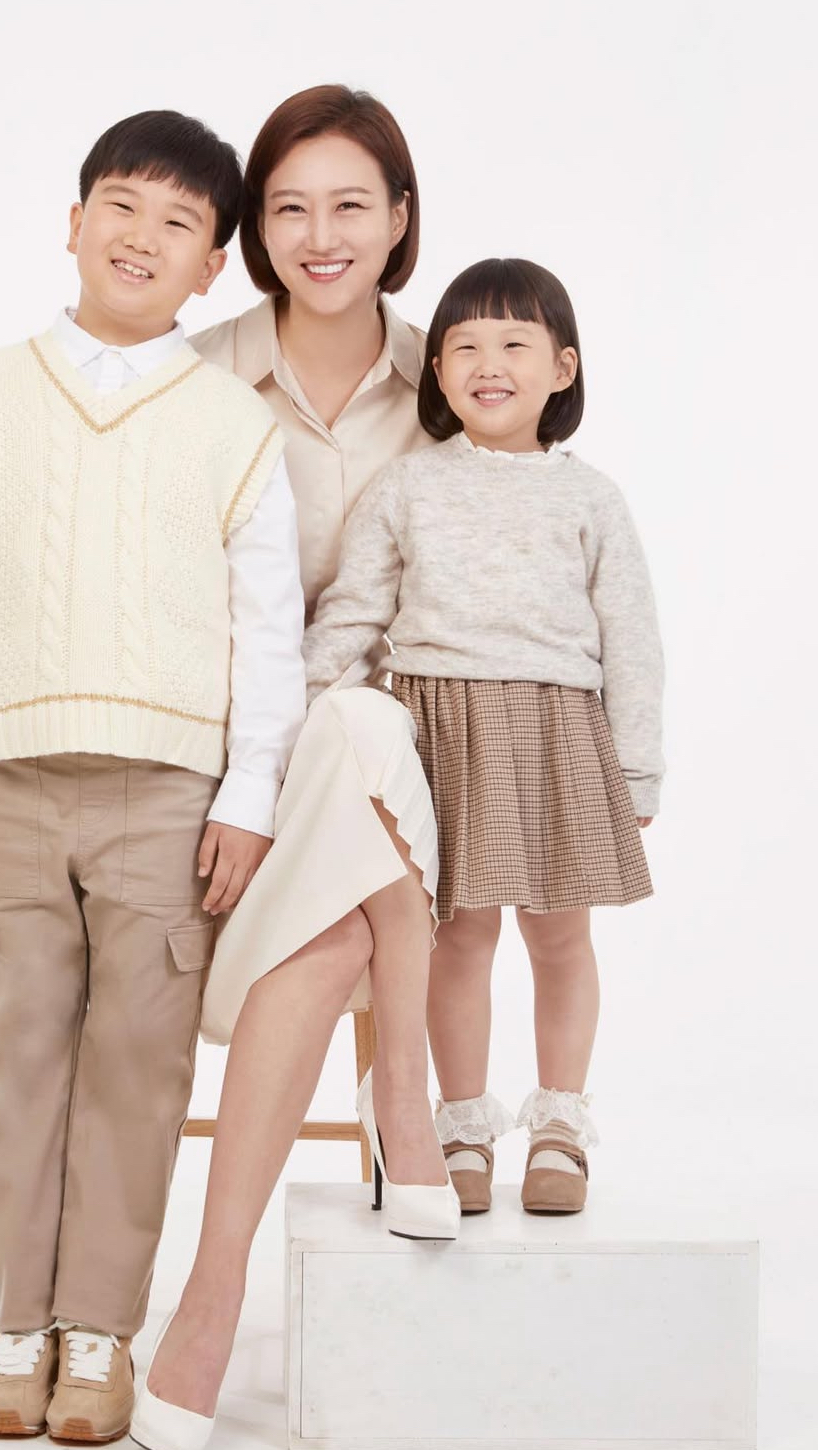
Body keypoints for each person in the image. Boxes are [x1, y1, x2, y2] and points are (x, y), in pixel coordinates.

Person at [0, 87, 458, 1450]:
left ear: (399, 220)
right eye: (288, 206)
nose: (319, 234)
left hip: (386, 770)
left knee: (363, 732)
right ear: (247, 241)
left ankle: (209, 1294)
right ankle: (185, 1289)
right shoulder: (189, 369)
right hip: (208, 768)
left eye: (350, 205)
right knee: (334, 932)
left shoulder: (451, 379)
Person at [0, 110, 309, 1443]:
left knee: (137, 1066)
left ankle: (98, 1333)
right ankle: (17, 1322)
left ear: (214, 266)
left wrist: (247, 794)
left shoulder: (231, 428)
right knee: (18, 1061)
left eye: (180, 223)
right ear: (73, 223)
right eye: (121, 205)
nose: (142, 236)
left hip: (169, 797)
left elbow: (268, 632)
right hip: (10, 780)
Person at [304, 257, 664, 1219]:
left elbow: (631, 640)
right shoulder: (407, 486)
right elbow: (353, 612)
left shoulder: (591, 499)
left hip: (556, 730)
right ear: (437, 372)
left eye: (513, 343)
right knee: (455, 936)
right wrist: (297, 714)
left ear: (562, 368)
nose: (487, 364)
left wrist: (636, 768)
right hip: (438, 732)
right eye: (462, 346)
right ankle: (461, 1125)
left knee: (560, 932)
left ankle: (560, 1127)